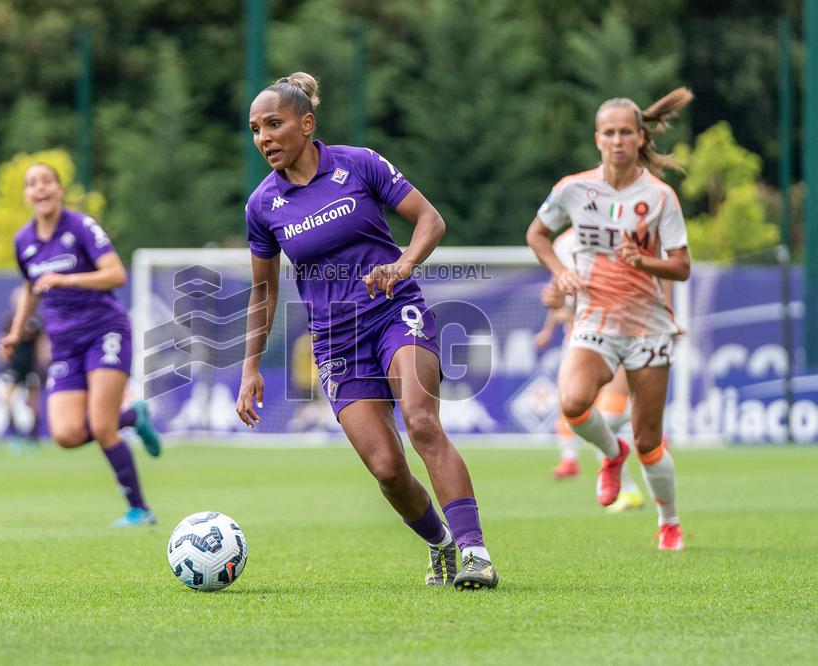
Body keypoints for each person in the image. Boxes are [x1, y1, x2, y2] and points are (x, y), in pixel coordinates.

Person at [236, 72, 498, 589]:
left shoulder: (359, 164)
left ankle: (475, 552)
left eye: (273, 124)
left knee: (422, 423)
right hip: (334, 341)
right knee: (386, 469)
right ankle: (441, 545)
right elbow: (263, 292)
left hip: (393, 312)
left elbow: (430, 221)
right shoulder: (262, 206)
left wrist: (401, 268)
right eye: (254, 129)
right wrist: (249, 367)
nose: (263, 137)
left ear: (306, 124)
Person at [526, 88, 693, 550]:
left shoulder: (660, 197)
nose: (617, 140)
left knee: (649, 440)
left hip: (648, 328)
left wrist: (644, 262)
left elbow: (681, 266)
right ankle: (609, 452)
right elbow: (537, 233)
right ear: (597, 139)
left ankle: (669, 520)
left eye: (626, 132)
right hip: (594, 320)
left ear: (641, 138)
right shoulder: (574, 189)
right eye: (609, 133)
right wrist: (561, 273)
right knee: (573, 402)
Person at [0, 163, 162, 527]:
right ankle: (133, 416)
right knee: (67, 434)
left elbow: (116, 274)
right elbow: (30, 286)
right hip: (64, 343)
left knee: (102, 428)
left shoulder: (81, 227)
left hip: (104, 330)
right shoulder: (23, 241)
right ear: (27, 195)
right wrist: (17, 330)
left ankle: (140, 509)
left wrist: (66, 279)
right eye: (32, 184)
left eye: (46, 181)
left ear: (59, 189)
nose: (39, 189)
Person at [534, 230, 645, 513]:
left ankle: (646, 427)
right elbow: (557, 290)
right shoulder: (563, 244)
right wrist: (552, 321)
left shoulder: (624, 231)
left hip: (624, 335)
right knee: (575, 409)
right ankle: (626, 488)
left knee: (609, 417)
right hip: (581, 339)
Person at [0, 285, 49, 453]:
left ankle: (33, 438)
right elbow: (2, 341)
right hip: (14, 365)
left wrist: (43, 364)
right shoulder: (9, 319)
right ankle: (15, 435)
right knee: (6, 400)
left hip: (31, 365)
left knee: (33, 403)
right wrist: (0, 361)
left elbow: (43, 344)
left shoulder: (36, 321)